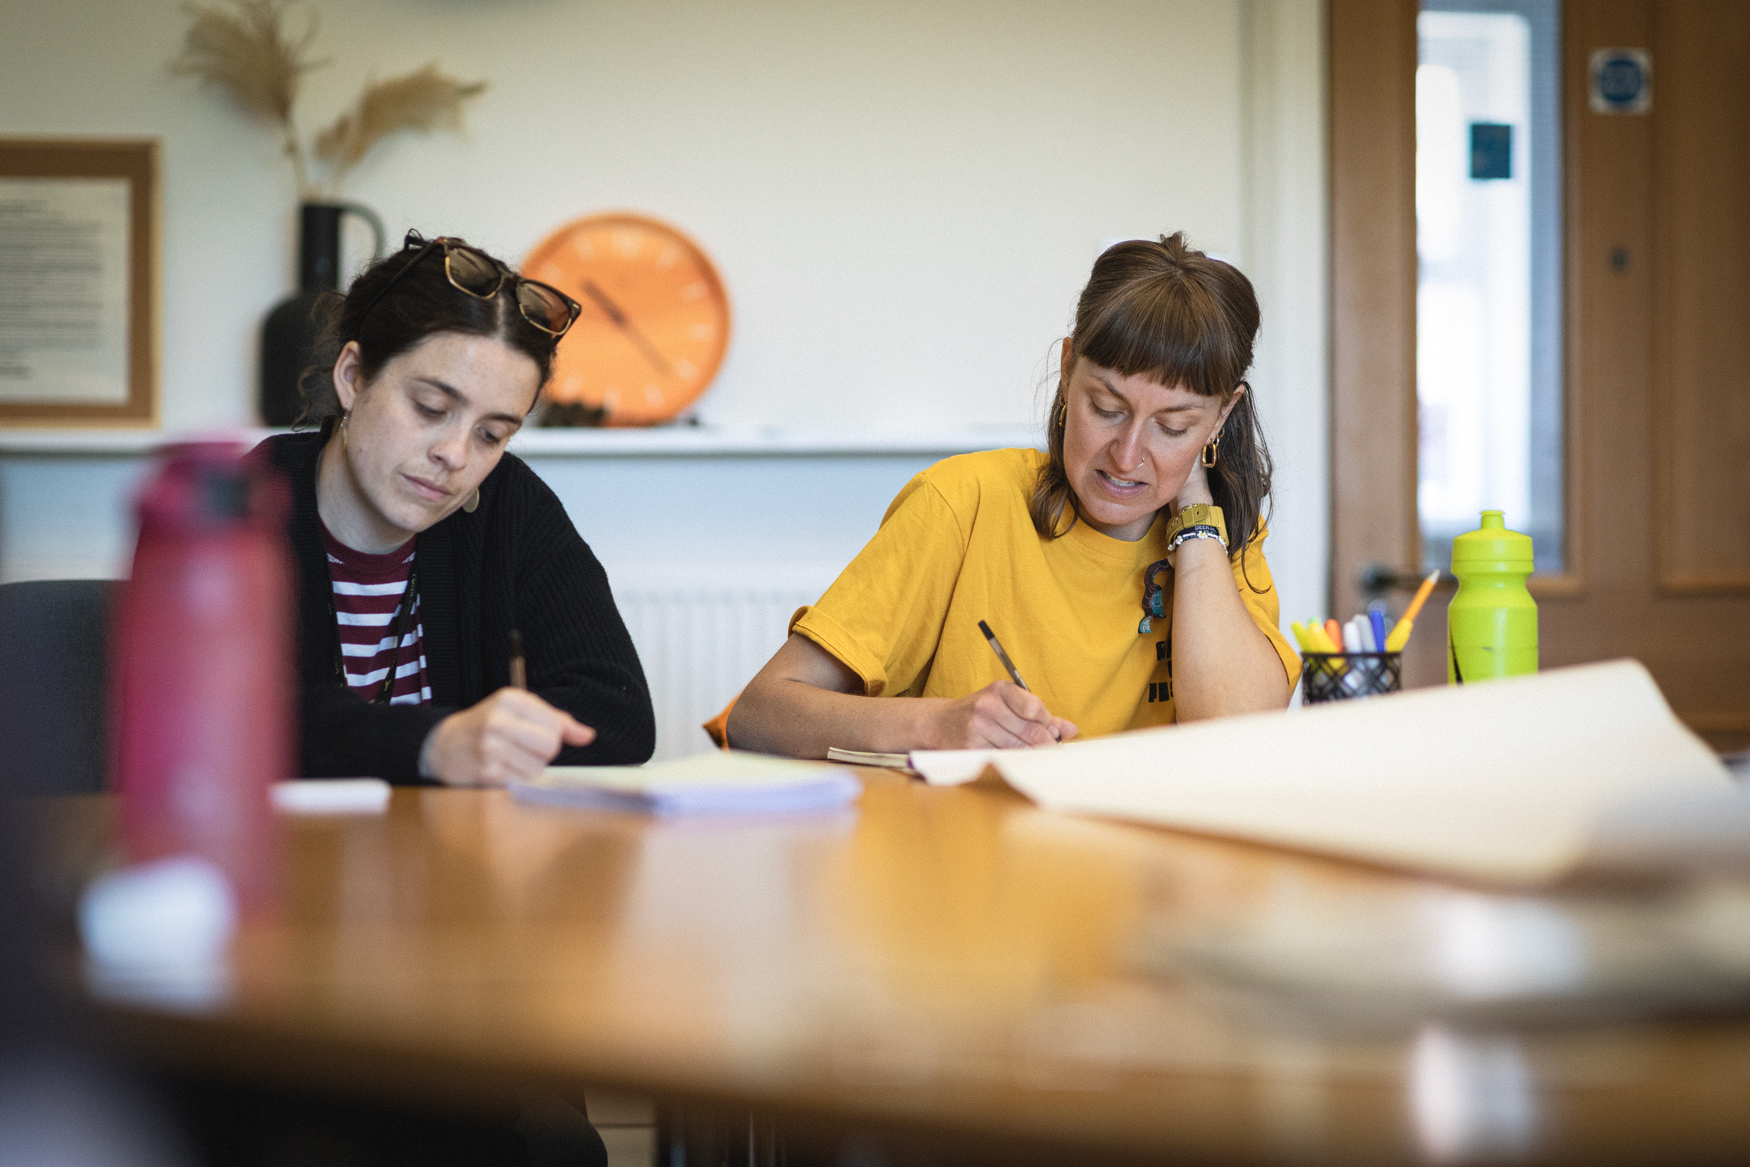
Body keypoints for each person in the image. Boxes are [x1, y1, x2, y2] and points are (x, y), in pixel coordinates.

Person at [728, 233, 1299, 756]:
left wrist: (1194, 509)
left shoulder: (1221, 539)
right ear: (1068, 370)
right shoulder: (963, 502)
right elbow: (757, 715)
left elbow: (1234, 735)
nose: (1127, 456)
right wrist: (937, 724)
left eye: (1173, 426)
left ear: (1222, 415)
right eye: (1106, 408)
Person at [258, 231, 655, 785]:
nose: (456, 454)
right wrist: (431, 744)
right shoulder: (234, 507)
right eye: (430, 407)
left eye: (491, 435)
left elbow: (618, 715)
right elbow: (223, 719)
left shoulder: (508, 504)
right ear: (352, 377)